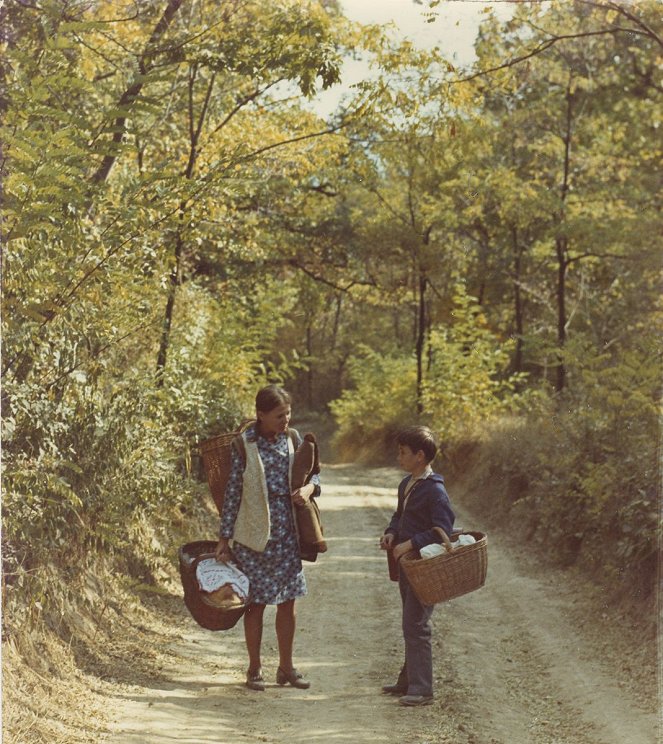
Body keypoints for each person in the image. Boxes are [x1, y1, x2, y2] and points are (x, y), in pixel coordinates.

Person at [215, 385, 320, 691]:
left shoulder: (294, 439)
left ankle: (286, 668)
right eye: (278, 415)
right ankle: (254, 668)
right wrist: (224, 537)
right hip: (254, 537)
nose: (285, 420)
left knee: (288, 603)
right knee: (256, 604)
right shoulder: (244, 445)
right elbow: (233, 491)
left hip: (288, 533)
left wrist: (309, 489)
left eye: (288, 413)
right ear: (260, 415)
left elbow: (314, 474)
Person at [379, 425, 455, 707]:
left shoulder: (435, 491)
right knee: (410, 621)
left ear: (420, 456)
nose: (399, 457)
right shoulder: (407, 483)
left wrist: (410, 544)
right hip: (407, 566)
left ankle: (422, 689)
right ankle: (408, 681)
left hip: (425, 567)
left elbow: (444, 529)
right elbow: (400, 516)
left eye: (403, 453)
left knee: (416, 623)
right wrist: (391, 532)